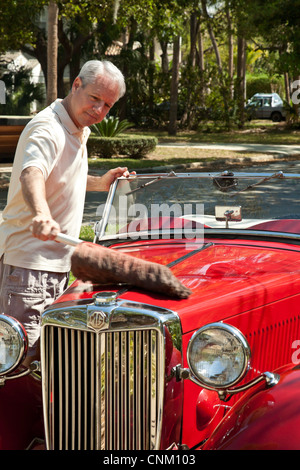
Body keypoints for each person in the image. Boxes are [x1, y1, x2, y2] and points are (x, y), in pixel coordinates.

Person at [0, 59, 131, 363]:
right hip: (29, 269)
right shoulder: (48, 127)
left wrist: (100, 182)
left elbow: (58, 175)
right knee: (23, 364)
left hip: (57, 266)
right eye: (94, 98)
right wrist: (41, 214)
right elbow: (32, 173)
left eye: (107, 105)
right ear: (76, 86)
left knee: (50, 362)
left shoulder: (75, 127)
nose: (99, 110)